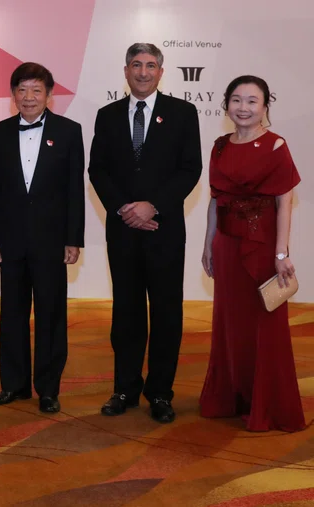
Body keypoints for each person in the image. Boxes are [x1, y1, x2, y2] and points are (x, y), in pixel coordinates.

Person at [88, 43, 201, 423]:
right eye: (136, 65)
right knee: (127, 312)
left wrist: (153, 205)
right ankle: (124, 388)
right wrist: (124, 208)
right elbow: (97, 170)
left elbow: (190, 169)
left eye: (150, 65)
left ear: (161, 71)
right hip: (122, 230)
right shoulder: (107, 115)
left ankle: (160, 393)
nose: (143, 72)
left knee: (167, 312)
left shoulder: (183, 113)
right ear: (125, 70)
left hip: (165, 229)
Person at [199, 75, 305, 432]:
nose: (243, 108)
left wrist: (281, 254)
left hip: (261, 247)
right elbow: (215, 201)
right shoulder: (218, 146)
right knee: (230, 321)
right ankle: (234, 395)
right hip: (227, 245)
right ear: (226, 104)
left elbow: (284, 203)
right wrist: (208, 243)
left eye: (252, 101)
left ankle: (267, 404)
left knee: (264, 322)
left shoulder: (276, 146)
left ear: (264, 107)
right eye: (237, 100)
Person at [0, 62, 85, 414]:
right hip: (9, 241)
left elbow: (75, 190)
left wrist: (74, 238)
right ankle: (13, 385)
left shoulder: (70, 132)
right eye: (22, 90)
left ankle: (48, 389)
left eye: (36, 90)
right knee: (11, 313)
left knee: (51, 314)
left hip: (52, 241)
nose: (28, 97)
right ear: (13, 95)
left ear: (49, 95)